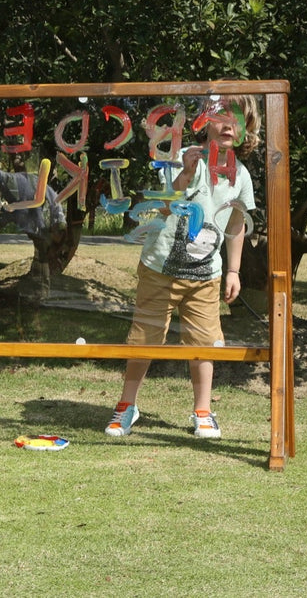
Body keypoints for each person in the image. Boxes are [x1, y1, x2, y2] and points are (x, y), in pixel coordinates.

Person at [105, 95, 260, 440]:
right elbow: (163, 207)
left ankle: (203, 411)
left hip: (205, 277)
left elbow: (236, 226)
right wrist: (185, 176)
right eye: (220, 117)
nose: (228, 126)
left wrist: (233, 271)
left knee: (204, 343)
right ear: (205, 122)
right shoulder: (182, 157)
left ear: (246, 129)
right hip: (159, 267)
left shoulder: (241, 176)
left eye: (237, 120)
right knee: (144, 338)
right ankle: (126, 405)